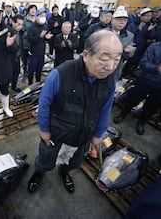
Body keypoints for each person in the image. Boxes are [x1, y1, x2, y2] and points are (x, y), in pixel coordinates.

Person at [27, 30, 123, 194]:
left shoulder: (110, 82)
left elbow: (105, 110)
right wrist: (44, 130)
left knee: (73, 161)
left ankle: (65, 172)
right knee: (46, 158)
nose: (111, 66)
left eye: (117, 60)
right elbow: (44, 105)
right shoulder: (60, 74)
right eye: (105, 59)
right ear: (86, 55)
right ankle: (39, 172)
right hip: (57, 133)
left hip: (83, 135)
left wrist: (98, 134)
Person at [108, 6, 136, 79]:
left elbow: (129, 55)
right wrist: (122, 50)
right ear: (112, 20)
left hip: (116, 68)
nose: (122, 22)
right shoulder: (102, 33)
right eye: (119, 19)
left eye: (125, 20)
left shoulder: (129, 36)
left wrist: (126, 52)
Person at [27, 7, 53, 84]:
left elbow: (44, 39)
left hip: (41, 53)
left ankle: (37, 84)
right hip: (33, 53)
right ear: (37, 16)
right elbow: (30, 39)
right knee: (31, 71)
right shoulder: (31, 27)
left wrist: (46, 38)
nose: (43, 18)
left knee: (39, 71)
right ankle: (30, 84)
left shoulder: (45, 26)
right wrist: (40, 36)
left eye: (44, 16)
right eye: (41, 16)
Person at [10, 15, 25, 92]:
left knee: (16, 72)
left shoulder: (21, 32)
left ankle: (14, 86)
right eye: (18, 24)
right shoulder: (8, 33)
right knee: (9, 73)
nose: (20, 26)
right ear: (13, 22)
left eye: (22, 24)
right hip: (9, 58)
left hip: (17, 56)